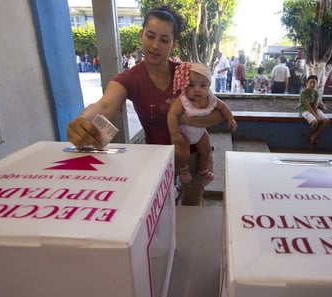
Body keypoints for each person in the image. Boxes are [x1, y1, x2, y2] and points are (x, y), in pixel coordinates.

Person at [67, 5, 225, 206]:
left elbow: (217, 113)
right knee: (157, 207)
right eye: (150, 36)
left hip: (193, 156)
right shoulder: (130, 79)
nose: (155, 45)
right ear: (141, 35)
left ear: (174, 44)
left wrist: (183, 118)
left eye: (164, 40)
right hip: (155, 156)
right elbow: (105, 105)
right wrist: (83, 121)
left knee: (192, 206)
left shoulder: (187, 75)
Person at [168, 62, 237, 183]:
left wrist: (230, 118)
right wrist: (174, 134)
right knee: (183, 152)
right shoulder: (183, 100)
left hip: (200, 132)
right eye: (191, 85)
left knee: (206, 150)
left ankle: (203, 169)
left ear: (209, 85)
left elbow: (223, 107)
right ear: (184, 86)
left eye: (202, 85)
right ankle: (183, 169)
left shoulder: (211, 98)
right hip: (184, 133)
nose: (197, 90)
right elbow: (172, 114)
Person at [297, 75, 330, 146]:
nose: (312, 84)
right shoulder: (303, 92)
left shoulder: (316, 93)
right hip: (304, 109)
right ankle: (309, 137)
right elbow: (307, 106)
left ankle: (314, 136)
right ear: (306, 83)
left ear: (316, 84)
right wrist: (316, 116)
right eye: (310, 82)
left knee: (326, 120)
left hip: (313, 109)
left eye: (314, 82)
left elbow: (315, 105)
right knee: (315, 122)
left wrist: (317, 115)